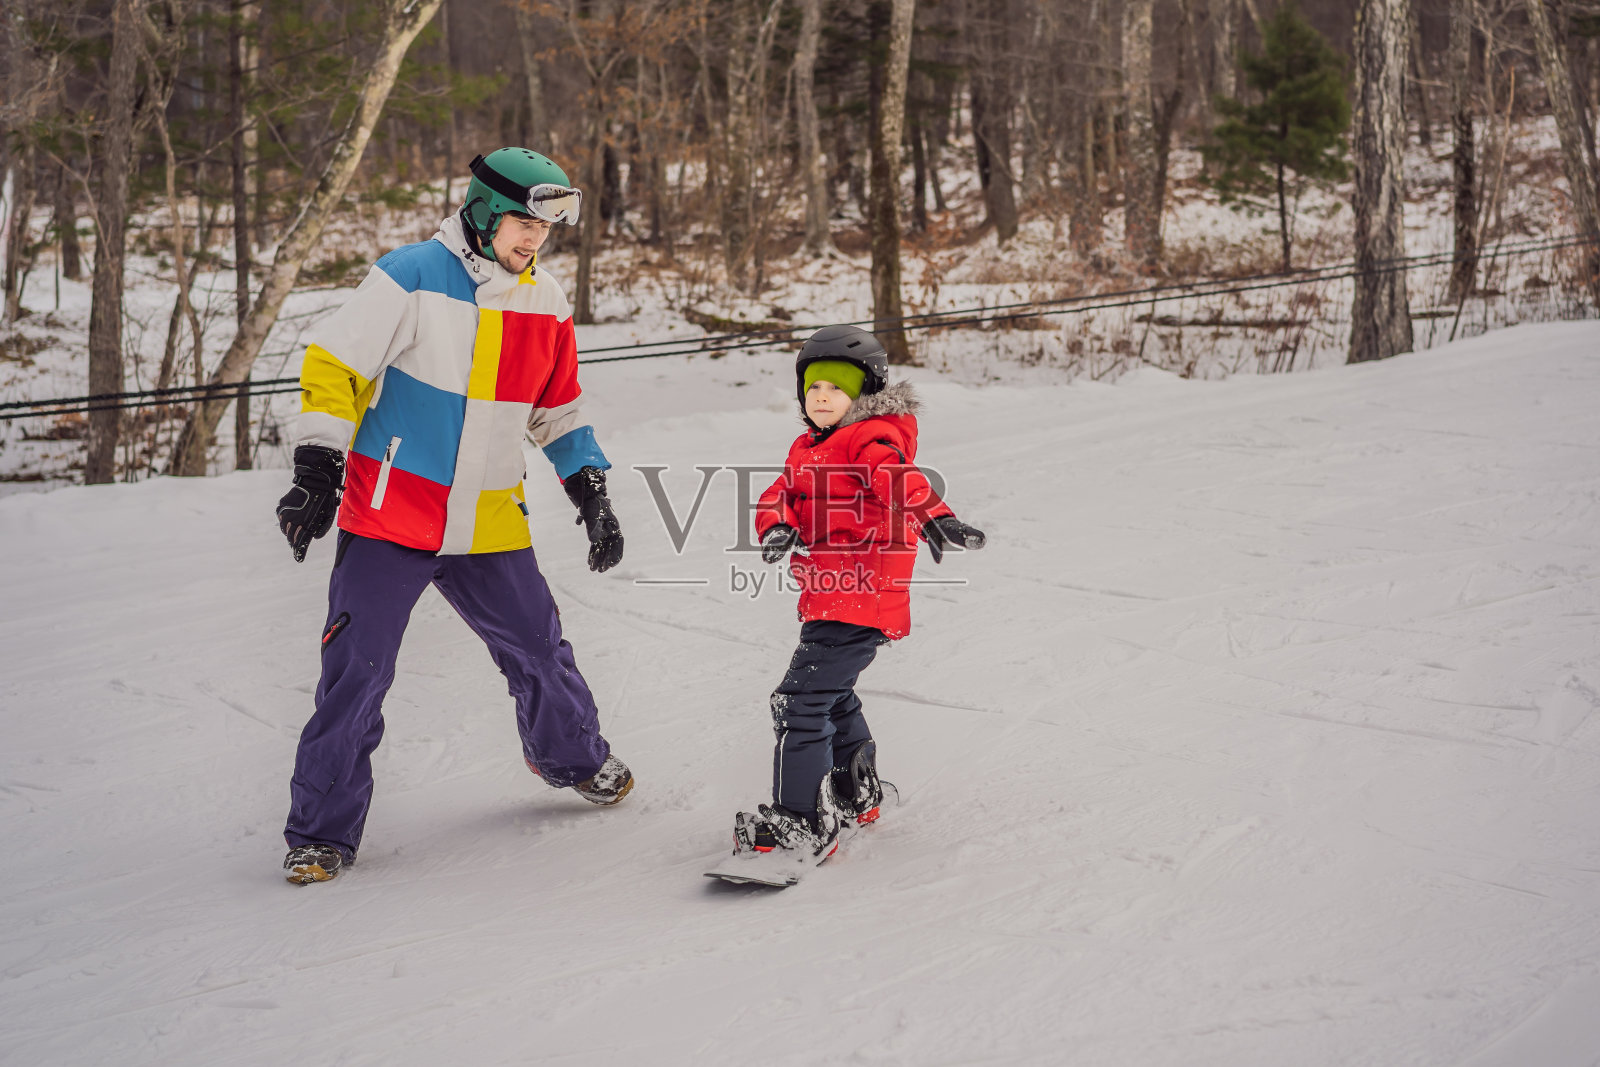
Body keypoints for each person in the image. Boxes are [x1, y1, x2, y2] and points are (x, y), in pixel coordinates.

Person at [274, 147, 631, 885]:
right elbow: (332, 367)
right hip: (390, 513)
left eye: (543, 228)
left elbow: (557, 409)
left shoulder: (547, 301)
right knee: (357, 671)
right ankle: (321, 833)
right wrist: (317, 464)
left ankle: (572, 757)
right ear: (481, 211)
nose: (532, 240)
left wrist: (590, 490)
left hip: (488, 515)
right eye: (519, 223)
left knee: (539, 647)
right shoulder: (409, 277)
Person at [734, 325, 986, 864]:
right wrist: (777, 524)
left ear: (865, 396)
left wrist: (935, 517)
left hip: (861, 594)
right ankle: (857, 792)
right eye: (813, 388)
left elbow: (901, 481)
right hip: (828, 595)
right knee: (834, 696)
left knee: (799, 703)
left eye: (837, 388)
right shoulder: (806, 448)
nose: (821, 398)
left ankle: (802, 823)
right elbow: (778, 493)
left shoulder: (871, 441)